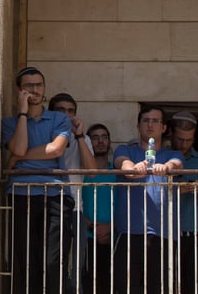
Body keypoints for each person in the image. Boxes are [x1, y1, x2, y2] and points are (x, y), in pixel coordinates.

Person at [2, 67, 73, 294]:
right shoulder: (9, 123)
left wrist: (16, 158)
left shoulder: (60, 118)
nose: (35, 90)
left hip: (56, 195)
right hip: (22, 195)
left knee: (54, 261)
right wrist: (23, 113)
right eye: (29, 86)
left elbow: (55, 150)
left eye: (39, 85)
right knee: (26, 261)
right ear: (19, 90)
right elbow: (20, 146)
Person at [113, 105, 185, 293]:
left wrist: (166, 167)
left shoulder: (172, 154)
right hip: (129, 231)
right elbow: (123, 164)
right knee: (126, 287)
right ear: (138, 125)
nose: (150, 125)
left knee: (159, 287)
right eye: (146, 120)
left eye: (155, 121)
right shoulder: (125, 150)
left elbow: (176, 165)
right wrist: (134, 168)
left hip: (162, 233)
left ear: (163, 127)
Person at [50, 93, 100, 293]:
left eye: (70, 111)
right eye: (61, 110)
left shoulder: (83, 138)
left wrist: (79, 136)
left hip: (74, 208)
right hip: (48, 204)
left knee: (74, 267)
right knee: (51, 264)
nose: (66, 115)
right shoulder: (47, 133)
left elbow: (92, 172)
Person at [169, 111, 198, 294]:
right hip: (169, 234)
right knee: (170, 284)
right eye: (180, 139)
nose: (184, 144)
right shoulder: (162, 157)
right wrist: (174, 190)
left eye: (189, 140)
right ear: (170, 134)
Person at [82, 122, 117, 294]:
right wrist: (92, 227)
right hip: (87, 238)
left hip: (115, 238)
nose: (100, 141)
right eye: (95, 137)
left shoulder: (117, 173)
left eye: (104, 137)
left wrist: (110, 227)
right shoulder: (82, 173)